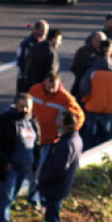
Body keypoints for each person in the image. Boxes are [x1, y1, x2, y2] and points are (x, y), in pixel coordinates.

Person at [0, 94, 39, 222]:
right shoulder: (7, 120)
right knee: (6, 198)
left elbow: (36, 144)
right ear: (16, 105)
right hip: (9, 168)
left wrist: (34, 163)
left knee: (10, 198)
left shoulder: (32, 121)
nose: (25, 109)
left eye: (27, 106)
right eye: (22, 106)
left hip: (24, 167)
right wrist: (5, 163)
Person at [27, 73, 84, 205]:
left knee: (40, 171)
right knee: (31, 168)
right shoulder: (35, 90)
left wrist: (69, 130)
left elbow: (79, 116)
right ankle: (34, 195)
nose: (51, 90)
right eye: (49, 86)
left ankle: (37, 198)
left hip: (48, 141)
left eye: (54, 87)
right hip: (33, 138)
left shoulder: (64, 98)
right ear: (44, 83)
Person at [79, 40, 112, 149]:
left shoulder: (92, 69)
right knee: (104, 139)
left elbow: (84, 88)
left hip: (92, 107)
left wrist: (86, 100)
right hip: (107, 109)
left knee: (89, 138)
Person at [37, 112, 82, 222]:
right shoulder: (76, 140)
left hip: (55, 187)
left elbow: (59, 168)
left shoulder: (66, 144)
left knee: (52, 217)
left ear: (67, 126)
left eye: (61, 122)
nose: (59, 124)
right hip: (61, 186)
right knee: (54, 211)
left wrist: (44, 178)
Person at [70, 31, 105, 99]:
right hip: (82, 86)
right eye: (99, 41)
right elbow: (74, 67)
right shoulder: (83, 51)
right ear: (93, 40)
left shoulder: (105, 52)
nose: (101, 44)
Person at [16, 21, 48, 93]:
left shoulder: (45, 44)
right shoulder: (27, 44)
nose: (45, 33)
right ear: (36, 30)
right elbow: (21, 60)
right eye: (42, 30)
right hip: (27, 79)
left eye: (46, 30)